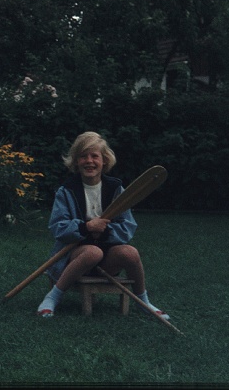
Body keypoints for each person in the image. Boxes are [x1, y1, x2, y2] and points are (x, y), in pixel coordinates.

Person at [37, 131, 169, 320]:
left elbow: (128, 227)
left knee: (130, 252)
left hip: (108, 260)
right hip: (75, 257)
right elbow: (58, 227)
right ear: (76, 161)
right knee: (92, 252)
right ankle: (52, 298)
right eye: (83, 156)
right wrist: (86, 227)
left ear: (104, 160)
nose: (89, 161)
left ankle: (144, 302)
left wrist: (106, 230)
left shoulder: (116, 190)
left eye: (94, 156)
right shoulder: (66, 191)